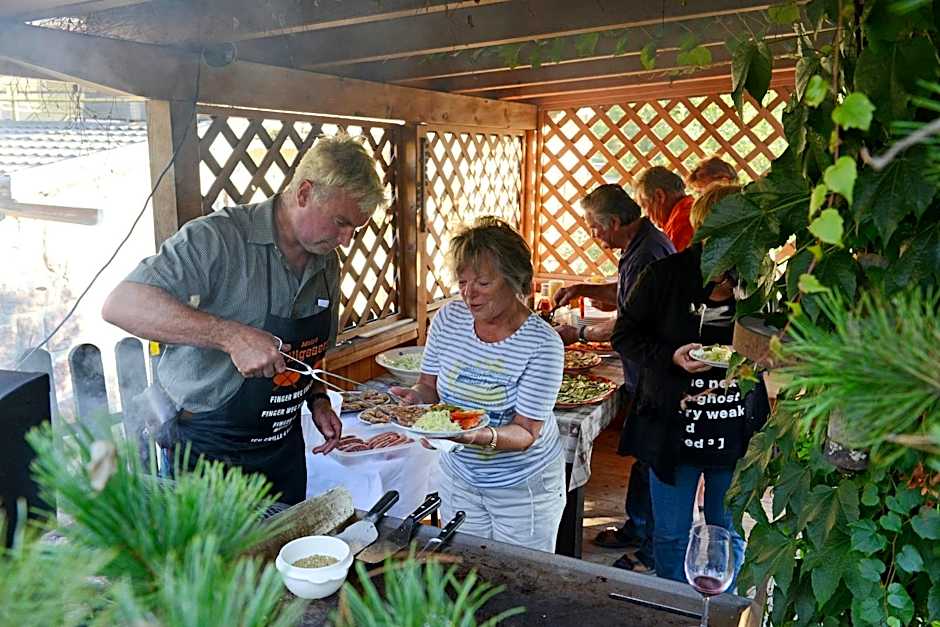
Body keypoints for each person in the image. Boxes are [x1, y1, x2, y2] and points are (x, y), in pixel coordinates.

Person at [101, 134, 387, 504]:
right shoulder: (218, 238)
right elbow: (121, 303)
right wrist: (229, 336)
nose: (346, 240)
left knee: (287, 559)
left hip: (281, 452)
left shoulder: (325, 260)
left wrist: (317, 399)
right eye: (340, 222)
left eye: (355, 230)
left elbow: (311, 348)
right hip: (208, 452)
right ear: (304, 193)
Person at [611, 185, 768, 583]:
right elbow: (625, 335)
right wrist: (671, 355)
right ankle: (674, 611)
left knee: (726, 528)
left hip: (735, 426)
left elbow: (775, 341)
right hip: (672, 426)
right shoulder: (665, 275)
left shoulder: (760, 280)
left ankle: (721, 607)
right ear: (707, 228)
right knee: (669, 535)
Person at [391, 218, 566, 552]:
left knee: (519, 577)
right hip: (460, 477)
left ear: (515, 281)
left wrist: (474, 436)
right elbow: (429, 387)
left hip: (522, 487)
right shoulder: (448, 319)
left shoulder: (542, 344)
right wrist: (413, 399)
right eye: (462, 281)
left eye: (483, 283)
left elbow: (526, 432)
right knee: (466, 567)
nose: (469, 294)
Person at [551, 184, 675, 572]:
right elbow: (624, 294)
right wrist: (582, 289)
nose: (593, 235)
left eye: (594, 227)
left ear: (615, 222)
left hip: (657, 374)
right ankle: (636, 530)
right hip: (644, 372)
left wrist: (579, 334)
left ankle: (650, 552)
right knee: (643, 459)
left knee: (654, 462)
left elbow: (629, 322)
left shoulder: (649, 254)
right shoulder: (640, 246)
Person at [633, 166, 694, 252]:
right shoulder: (694, 209)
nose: (646, 215)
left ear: (659, 196)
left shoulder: (680, 225)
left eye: (644, 205)